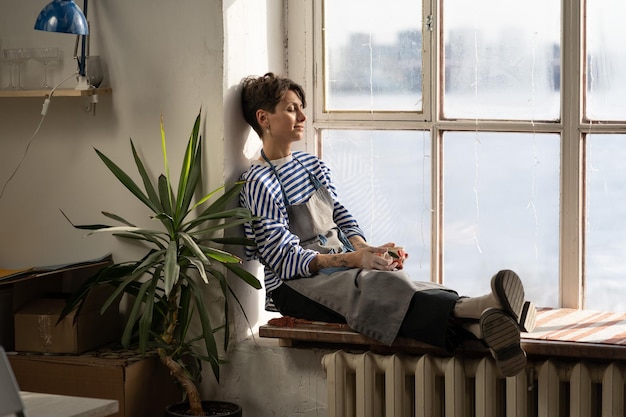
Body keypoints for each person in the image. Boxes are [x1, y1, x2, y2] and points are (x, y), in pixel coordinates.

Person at [238, 72, 536, 377]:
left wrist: (369, 250)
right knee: (382, 285)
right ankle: (482, 308)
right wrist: (353, 260)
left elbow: (341, 215)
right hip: (296, 286)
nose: (302, 115)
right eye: (291, 109)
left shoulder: (312, 165)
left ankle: (481, 328)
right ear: (264, 118)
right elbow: (283, 260)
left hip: (336, 265)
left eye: (301, 107)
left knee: (401, 279)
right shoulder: (258, 182)